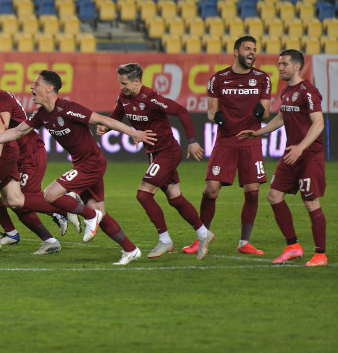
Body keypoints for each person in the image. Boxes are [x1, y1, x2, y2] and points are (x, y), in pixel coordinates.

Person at [0, 70, 156, 264]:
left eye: (36, 84)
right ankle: (130, 249)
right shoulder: (41, 114)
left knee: (50, 194)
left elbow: (103, 120)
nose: (32, 87)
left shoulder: (68, 108)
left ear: (49, 88)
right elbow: (17, 131)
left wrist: (134, 133)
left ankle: (86, 214)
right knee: (100, 213)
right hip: (81, 163)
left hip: (91, 163)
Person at [100, 63, 216, 260]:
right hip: (154, 154)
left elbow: (181, 111)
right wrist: (106, 128)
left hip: (168, 152)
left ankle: (165, 240)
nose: (121, 87)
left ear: (137, 82)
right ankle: (204, 234)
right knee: (174, 196)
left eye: (124, 83)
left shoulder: (151, 98)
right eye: (120, 83)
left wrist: (192, 142)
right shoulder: (124, 98)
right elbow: (116, 118)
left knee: (143, 195)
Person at [238, 49, 328, 266]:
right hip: (291, 154)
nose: (280, 67)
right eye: (279, 64)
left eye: (284, 64)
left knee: (311, 203)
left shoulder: (308, 91)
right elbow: (281, 117)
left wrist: (301, 148)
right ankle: (293, 246)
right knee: (274, 196)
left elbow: (319, 123)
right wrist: (259, 132)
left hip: (309, 155)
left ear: (297, 66)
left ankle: (320, 254)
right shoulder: (287, 91)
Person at [0, 67, 70, 254]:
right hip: (11, 155)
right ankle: (12, 232)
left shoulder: (2, 98)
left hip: (28, 153)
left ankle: (64, 207)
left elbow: (3, 127)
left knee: (17, 200)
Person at [184, 36, 271, 256]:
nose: (252, 52)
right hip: (226, 141)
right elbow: (212, 112)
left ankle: (244, 243)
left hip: (251, 140)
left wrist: (260, 112)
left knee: (253, 191)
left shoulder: (263, 78)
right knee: (211, 189)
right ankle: (201, 238)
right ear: (235, 52)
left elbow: (267, 111)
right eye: (247, 49)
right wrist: (219, 117)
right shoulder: (218, 78)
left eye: (254, 49)